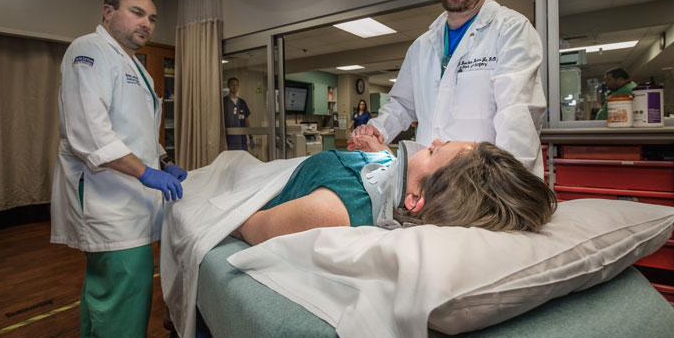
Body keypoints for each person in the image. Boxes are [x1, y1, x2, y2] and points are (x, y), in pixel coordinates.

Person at [50, 0, 188, 338]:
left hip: (131, 202)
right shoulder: (88, 51)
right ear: (108, 12)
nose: (147, 23)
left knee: (108, 301)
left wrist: (164, 159)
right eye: (136, 12)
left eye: (152, 17)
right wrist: (147, 173)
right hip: (108, 202)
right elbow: (89, 134)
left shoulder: (135, 65)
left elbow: (136, 132)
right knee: (121, 308)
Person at [349, 0, 546, 178]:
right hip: (426, 185)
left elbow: (517, 123)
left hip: (485, 186)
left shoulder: (511, 31)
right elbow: (401, 104)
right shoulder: (422, 45)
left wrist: (509, 195)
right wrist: (377, 129)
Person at [233, 136, 557, 246]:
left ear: (415, 199)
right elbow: (392, 181)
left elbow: (240, 222)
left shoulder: (330, 212)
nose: (431, 141)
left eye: (434, 151)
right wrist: (378, 152)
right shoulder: (399, 188)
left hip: (249, 180)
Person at [224, 77, 254, 150]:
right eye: (232, 85)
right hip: (228, 138)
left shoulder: (242, 102)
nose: (234, 87)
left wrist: (251, 136)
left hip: (241, 139)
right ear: (228, 86)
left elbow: (246, 120)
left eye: (237, 85)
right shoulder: (224, 102)